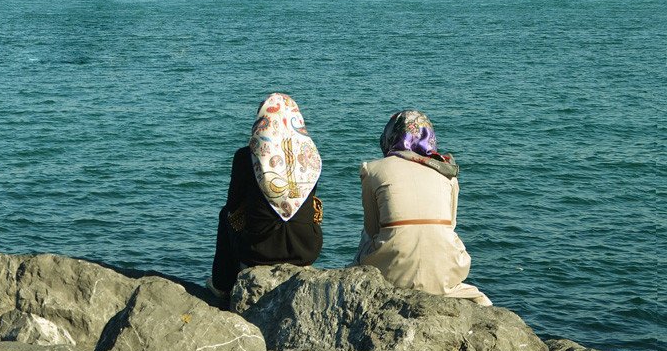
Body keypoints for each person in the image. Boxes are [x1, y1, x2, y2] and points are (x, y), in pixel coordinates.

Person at [353, 110, 492, 306]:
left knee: (367, 237)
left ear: (391, 135)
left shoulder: (372, 170)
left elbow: (371, 228)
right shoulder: (447, 173)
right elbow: (451, 224)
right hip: (445, 272)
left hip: (392, 271)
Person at [207, 93, 323, 298]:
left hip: (259, 251)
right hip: (306, 249)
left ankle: (222, 284)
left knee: (225, 214)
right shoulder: (310, 156)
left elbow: (233, 205)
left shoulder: (246, 156)